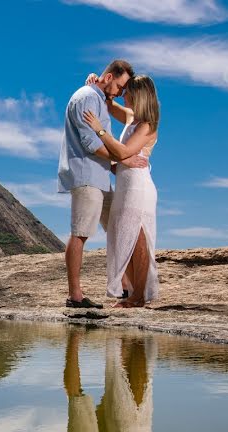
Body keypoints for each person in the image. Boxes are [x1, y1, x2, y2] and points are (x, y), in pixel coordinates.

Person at [58, 60, 148, 309]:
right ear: (109, 77)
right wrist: (123, 158)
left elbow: (104, 135)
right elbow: (91, 144)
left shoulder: (97, 97)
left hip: (100, 177)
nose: (121, 92)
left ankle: (128, 287)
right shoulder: (87, 97)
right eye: (120, 86)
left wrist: (115, 164)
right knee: (81, 232)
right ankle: (75, 296)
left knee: (119, 228)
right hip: (87, 176)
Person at [82, 75, 161, 308]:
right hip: (126, 185)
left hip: (139, 187)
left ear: (139, 95)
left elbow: (124, 151)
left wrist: (99, 131)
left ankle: (138, 296)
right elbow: (107, 103)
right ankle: (136, 293)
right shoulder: (131, 117)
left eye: (127, 92)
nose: (123, 95)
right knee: (125, 237)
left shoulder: (148, 125)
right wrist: (94, 84)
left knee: (138, 239)